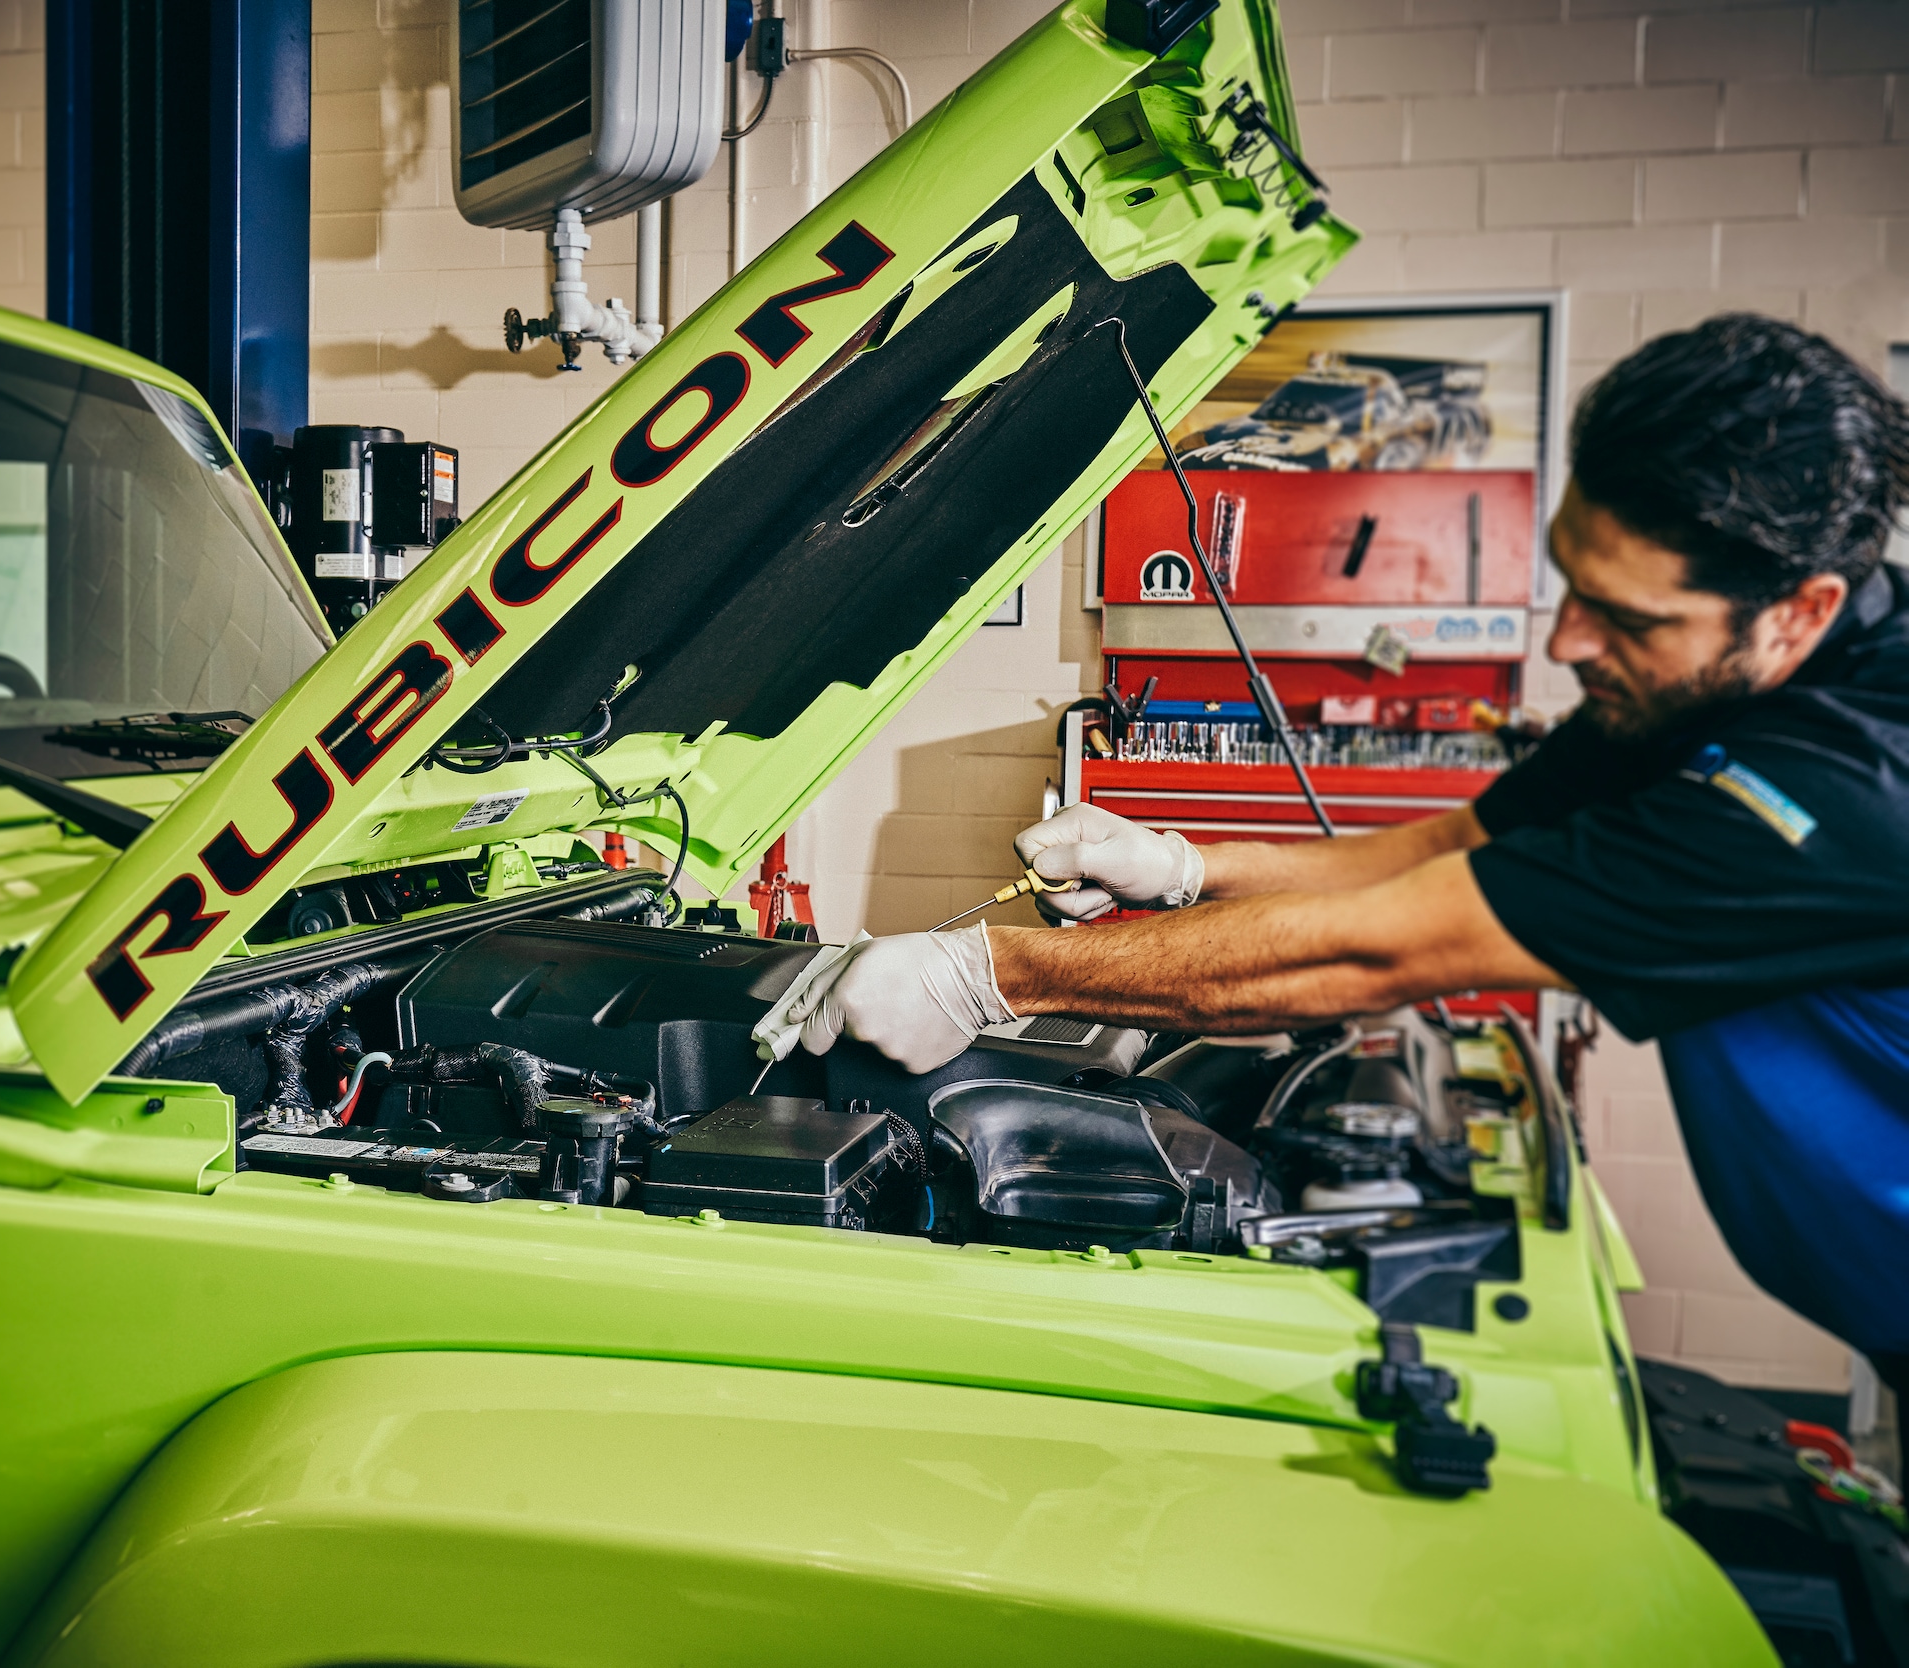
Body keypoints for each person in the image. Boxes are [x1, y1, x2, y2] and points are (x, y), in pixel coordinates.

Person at [763, 315, 1909, 1387]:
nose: (1567, 642)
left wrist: (990, 972)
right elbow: (1453, 850)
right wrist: (1179, 863)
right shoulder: (1709, 690)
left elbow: (1381, 951)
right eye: (1572, 583)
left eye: (1629, 620)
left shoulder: (1846, 792)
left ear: (1799, 610)